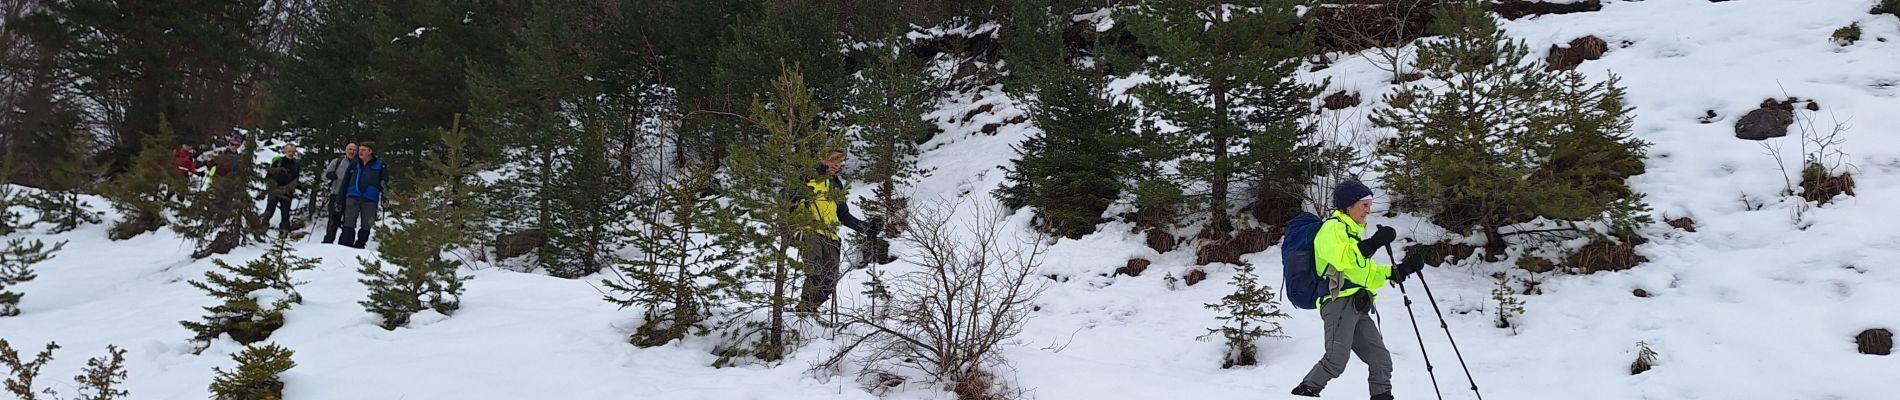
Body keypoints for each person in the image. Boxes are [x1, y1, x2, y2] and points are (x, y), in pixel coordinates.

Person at [1292, 180, 1424, 400]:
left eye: (1369, 205)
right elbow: (1342, 259)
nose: (1368, 210)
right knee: (1336, 360)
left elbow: (1365, 275)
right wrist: (1373, 243)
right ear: (1348, 205)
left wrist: (1400, 270)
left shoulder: (1353, 234)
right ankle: (1305, 392)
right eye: (1364, 205)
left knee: (1380, 360)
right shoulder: (1332, 228)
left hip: (1357, 304)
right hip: (1338, 302)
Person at [794, 149, 873, 313]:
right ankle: (804, 310)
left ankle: (809, 310)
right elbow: (786, 195)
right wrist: (798, 194)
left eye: (841, 161)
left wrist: (866, 228)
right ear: (824, 157)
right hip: (809, 229)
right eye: (835, 159)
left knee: (830, 280)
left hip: (830, 235)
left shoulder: (836, 184)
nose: (838, 164)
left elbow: (843, 215)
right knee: (815, 270)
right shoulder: (808, 175)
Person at [337, 144, 388, 249]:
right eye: (359, 150)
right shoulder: (354, 164)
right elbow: (345, 182)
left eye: (363, 150)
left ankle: (360, 244)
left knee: (367, 224)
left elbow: (384, 183)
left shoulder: (380, 165)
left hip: (370, 198)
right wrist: (339, 199)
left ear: (370, 151)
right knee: (349, 221)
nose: (360, 152)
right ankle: (344, 245)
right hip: (352, 196)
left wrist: (385, 198)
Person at [320, 143, 358, 244]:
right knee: (333, 219)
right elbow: (324, 176)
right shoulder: (337, 162)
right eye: (350, 149)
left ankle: (345, 243)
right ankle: (328, 240)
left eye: (354, 150)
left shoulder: (359, 164)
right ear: (346, 150)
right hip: (336, 194)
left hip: (351, 196)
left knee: (348, 221)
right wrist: (329, 175)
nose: (352, 152)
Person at [262, 144, 301, 232]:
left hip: (288, 192)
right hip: (275, 190)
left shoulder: (296, 164)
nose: (291, 153)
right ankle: (261, 230)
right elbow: (269, 175)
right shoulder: (278, 162)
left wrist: (301, 187)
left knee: (285, 214)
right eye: (289, 151)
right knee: (269, 211)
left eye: (293, 152)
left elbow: (295, 179)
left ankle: (283, 234)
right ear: (284, 151)